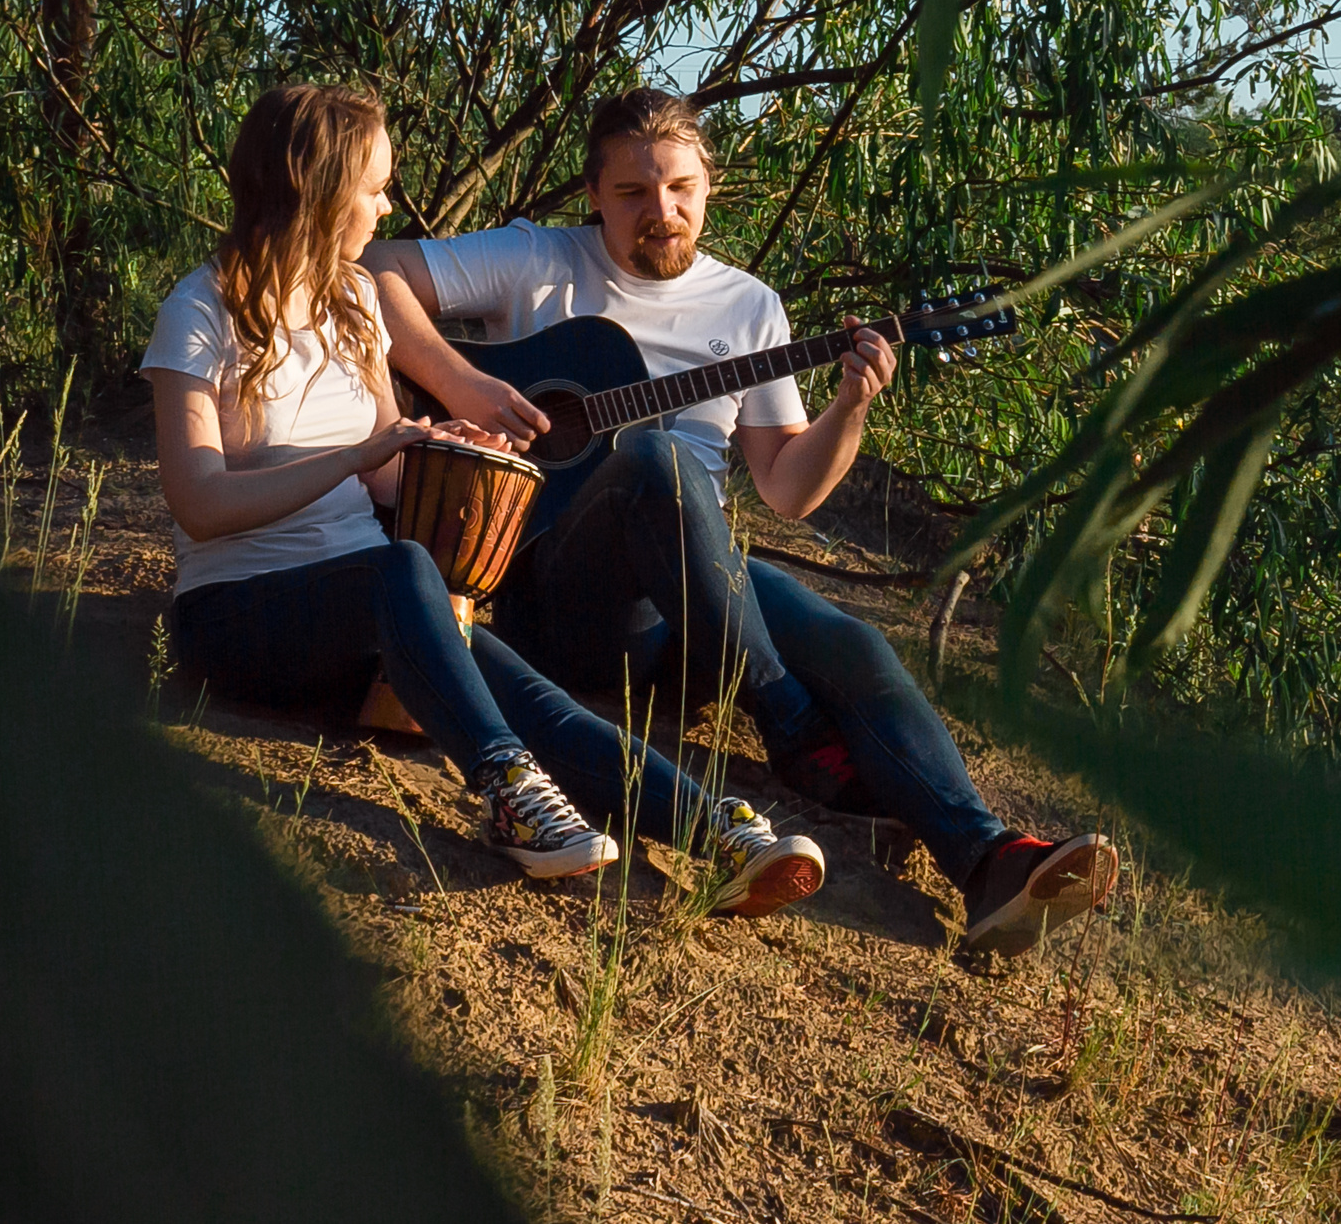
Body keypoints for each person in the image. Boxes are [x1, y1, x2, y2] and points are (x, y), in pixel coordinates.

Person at [360, 88, 1118, 958]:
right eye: (635, 194)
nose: (662, 211)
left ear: (709, 185)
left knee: (851, 640)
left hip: (690, 609)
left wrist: (851, 409)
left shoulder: (750, 307)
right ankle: (788, 724)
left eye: (681, 187)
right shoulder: (538, 260)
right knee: (653, 459)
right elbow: (376, 269)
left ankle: (985, 855)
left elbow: (789, 489)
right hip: (559, 601)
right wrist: (464, 385)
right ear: (594, 196)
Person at [142, 82, 822, 918]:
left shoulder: (355, 301)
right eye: (375, 187)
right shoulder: (200, 308)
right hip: (239, 613)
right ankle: (508, 790)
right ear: (316, 190)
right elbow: (199, 503)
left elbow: (392, 473)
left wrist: (460, 451)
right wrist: (359, 454)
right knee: (401, 571)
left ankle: (714, 829)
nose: (386, 205)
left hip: (374, 600)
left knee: (531, 690)